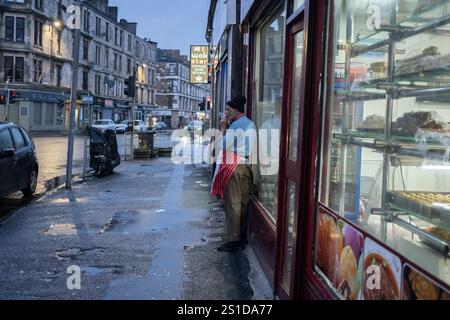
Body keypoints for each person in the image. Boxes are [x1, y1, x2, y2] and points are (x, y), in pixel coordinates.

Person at [211, 95, 256, 252]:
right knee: (243, 202)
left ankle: (233, 239)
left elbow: (223, 144)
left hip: (234, 167)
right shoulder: (250, 123)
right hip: (246, 166)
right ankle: (241, 235)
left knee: (233, 203)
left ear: (236, 110)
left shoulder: (236, 125)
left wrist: (224, 128)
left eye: (228, 110)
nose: (226, 113)